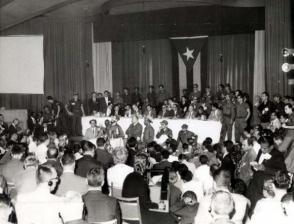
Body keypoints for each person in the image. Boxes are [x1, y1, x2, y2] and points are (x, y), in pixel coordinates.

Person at [122, 154, 177, 224]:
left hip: (127, 214)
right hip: (139, 216)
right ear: (146, 166)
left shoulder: (128, 177)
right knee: (169, 218)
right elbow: (146, 205)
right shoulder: (141, 181)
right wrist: (157, 205)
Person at [246, 136, 287, 210]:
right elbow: (258, 162)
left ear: (271, 146)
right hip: (254, 183)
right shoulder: (260, 150)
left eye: (265, 148)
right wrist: (254, 165)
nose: (262, 150)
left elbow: (281, 173)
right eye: (261, 147)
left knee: (257, 208)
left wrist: (265, 169)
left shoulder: (278, 156)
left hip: (264, 188)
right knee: (248, 205)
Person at [279, 104, 294, 173]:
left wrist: (286, 126)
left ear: (291, 108)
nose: (285, 110)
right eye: (284, 109)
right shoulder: (289, 115)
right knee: (287, 152)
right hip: (289, 135)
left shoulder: (292, 115)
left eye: (286, 109)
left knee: (281, 149)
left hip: (291, 135)